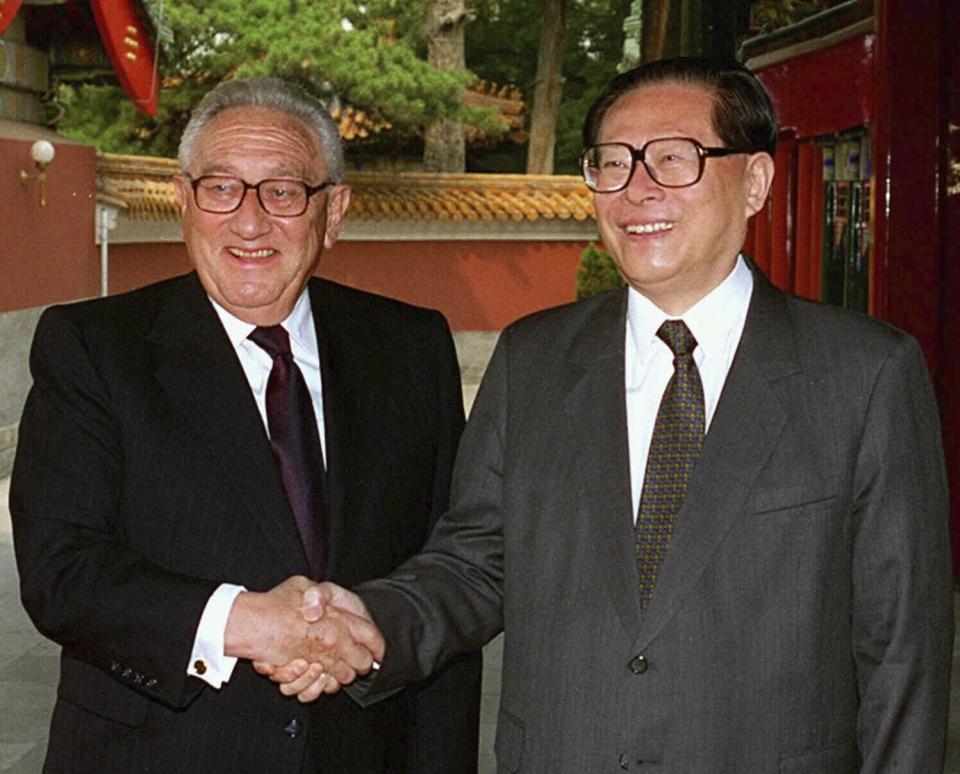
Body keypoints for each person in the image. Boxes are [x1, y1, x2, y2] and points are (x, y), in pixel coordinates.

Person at [271, 58, 954, 772]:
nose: (637, 190)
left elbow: (902, 651)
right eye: (613, 163)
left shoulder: (864, 375)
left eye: (672, 159)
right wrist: (368, 623)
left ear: (755, 181)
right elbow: (477, 563)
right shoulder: (533, 360)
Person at [10, 77, 480, 774]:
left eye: (284, 191)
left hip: (361, 752)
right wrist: (247, 622)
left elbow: (450, 564)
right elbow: (63, 569)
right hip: (159, 754)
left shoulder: (410, 348)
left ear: (335, 211)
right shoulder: (94, 348)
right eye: (222, 188)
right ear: (183, 201)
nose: (250, 221)